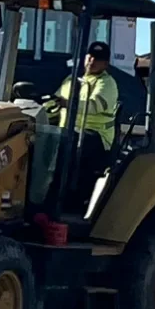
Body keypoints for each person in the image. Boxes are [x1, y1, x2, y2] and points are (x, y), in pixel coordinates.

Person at [49, 39, 120, 208]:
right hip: (68, 130)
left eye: (98, 59)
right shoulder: (71, 80)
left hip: (97, 137)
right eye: (90, 57)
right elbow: (54, 102)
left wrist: (68, 104)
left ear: (106, 63)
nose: (92, 61)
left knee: (69, 143)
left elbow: (94, 106)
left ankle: (66, 201)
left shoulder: (107, 84)